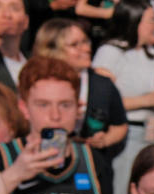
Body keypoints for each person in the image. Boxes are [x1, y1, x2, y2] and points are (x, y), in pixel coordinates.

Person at [0, 56, 114, 194]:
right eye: (43, 105)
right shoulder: (1, 157)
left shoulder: (93, 160)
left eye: (65, 105)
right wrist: (14, 175)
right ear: (24, 108)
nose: (55, 115)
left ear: (78, 108)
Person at [94, 0, 154, 194]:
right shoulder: (111, 52)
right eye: (150, 20)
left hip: (150, 133)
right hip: (124, 135)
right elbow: (101, 102)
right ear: (133, 20)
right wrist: (149, 100)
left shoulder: (153, 55)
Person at [33, 18, 128, 155]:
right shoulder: (38, 82)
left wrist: (105, 140)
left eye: (85, 41)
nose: (86, 48)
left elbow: (120, 125)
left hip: (90, 162)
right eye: (75, 45)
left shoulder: (101, 83)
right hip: (45, 155)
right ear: (52, 49)